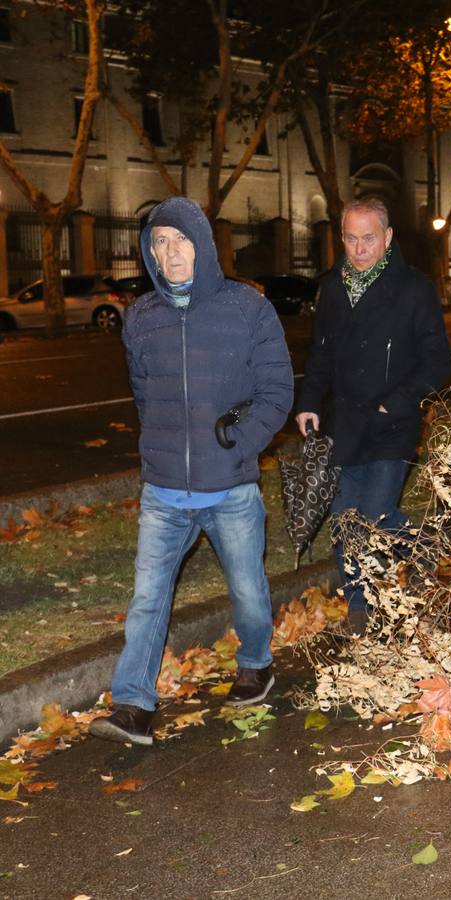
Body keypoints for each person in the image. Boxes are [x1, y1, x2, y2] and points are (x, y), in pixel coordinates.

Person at [90, 197, 294, 746]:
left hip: (229, 486)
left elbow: (277, 391)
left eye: (180, 240)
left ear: (202, 244)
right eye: (159, 242)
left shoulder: (247, 309)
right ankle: (133, 705)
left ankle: (256, 661)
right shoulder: (141, 317)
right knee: (147, 600)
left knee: (249, 592)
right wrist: (157, 447)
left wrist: (241, 446)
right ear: (149, 253)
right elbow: (142, 391)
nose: (170, 252)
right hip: (163, 490)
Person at [295, 197, 451, 635]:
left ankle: (421, 548)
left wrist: (398, 402)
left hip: (392, 422)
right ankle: (358, 607)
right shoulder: (331, 286)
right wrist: (308, 401)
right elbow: (320, 353)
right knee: (347, 520)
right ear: (341, 237)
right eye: (350, 238)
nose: (359, 248)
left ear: (386, 238)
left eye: (368, 238)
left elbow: (437, 361)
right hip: (344, 420)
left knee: (378, 514)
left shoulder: (414, 289)